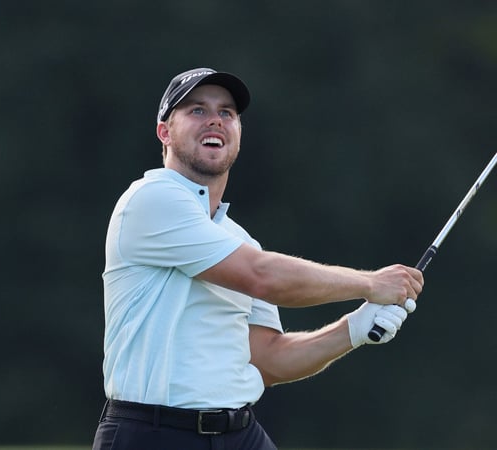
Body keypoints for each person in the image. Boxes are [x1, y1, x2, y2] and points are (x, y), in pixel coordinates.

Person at [92, 67, 425, 450]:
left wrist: (352, 328)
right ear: (164, 133)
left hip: (239, 434)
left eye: (227, 113)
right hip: (155, 434)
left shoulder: (238, 239)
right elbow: (261, 276)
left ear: (237, 136)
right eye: (197, 110)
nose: (215, 119)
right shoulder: (151, 199)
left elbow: (269, 360)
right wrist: (369, 284)